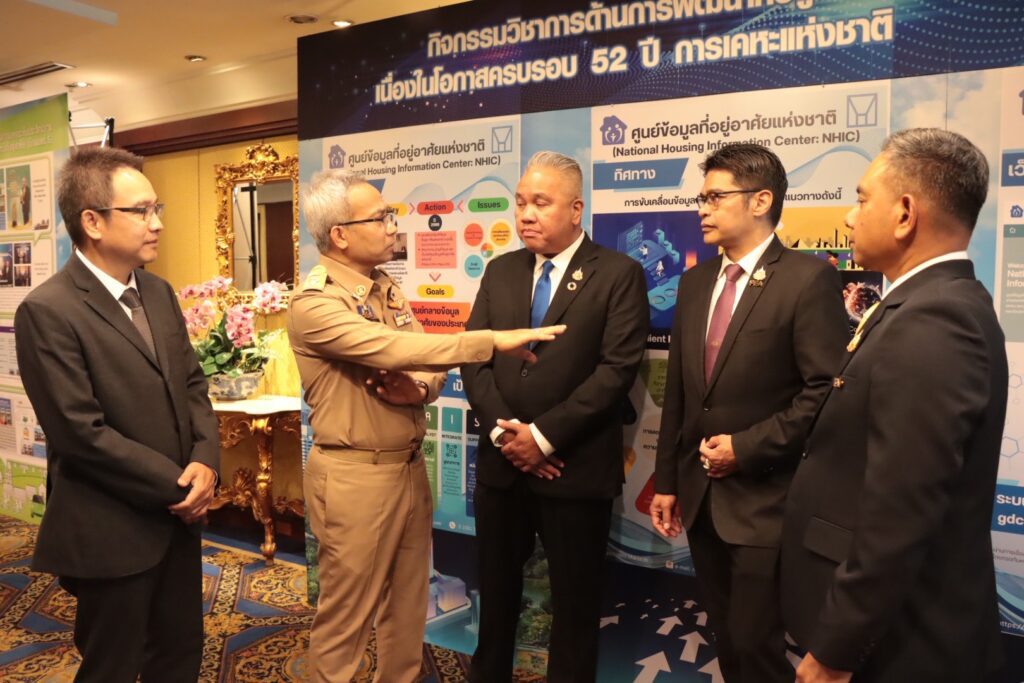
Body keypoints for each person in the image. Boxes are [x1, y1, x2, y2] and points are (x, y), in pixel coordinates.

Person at [288, 169, 565, 683]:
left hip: (409, 469)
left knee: (409, 606)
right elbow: (395, 347)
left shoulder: (384, 287)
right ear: (340, 235)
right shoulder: (314, 303)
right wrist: (489, 341)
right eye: (379, 217)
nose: (392, 225)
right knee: (347, 618)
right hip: (354, 476)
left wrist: (416, 390)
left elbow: (426, 367)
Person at [780, 128, 1008, 683]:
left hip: (901, 645)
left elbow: (900, 514)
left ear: (905, 214)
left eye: (861, 200)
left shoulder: (936, 320)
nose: (850, 218)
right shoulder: (921, 303)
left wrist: (835, 650)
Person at [15, 147, 220, 682]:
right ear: (92, 222)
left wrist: (206, 461)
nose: (157, 224)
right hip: (112, 528)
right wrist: (181, 486)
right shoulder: (48, 310)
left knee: (179, 655)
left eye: (158, 209)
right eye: (141, 211)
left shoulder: (157, 291)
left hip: (178, 523)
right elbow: (80, 433)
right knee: (113, 666)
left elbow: (193, 385)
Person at [649, 142, 849, 683]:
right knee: (728, 640)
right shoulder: (694, 283)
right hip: (700, 498)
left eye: (715, 197)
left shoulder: (807, 279)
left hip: (768, 502)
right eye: (702, 198)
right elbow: (681, 395)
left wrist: (746, 448)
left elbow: (824, 391)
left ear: (761, 201)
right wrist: (666, 481)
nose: (702, 209)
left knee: (757, 645)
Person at [461, 151, 649, 682]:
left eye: (540, 203)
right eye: (520, 202)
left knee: (575, 608)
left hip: (574, 470)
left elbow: (615, 372)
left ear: (575, 209)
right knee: (495, 598)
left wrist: (541, 438)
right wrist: (509, 437)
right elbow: (475, 358)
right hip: (502, 469)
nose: (526, 214)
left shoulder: (618, 274)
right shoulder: (500, 271)